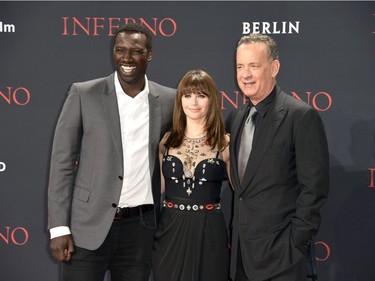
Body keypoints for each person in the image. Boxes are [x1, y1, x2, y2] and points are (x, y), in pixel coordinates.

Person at [47, 23, 175, 281]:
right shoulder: (84, 94)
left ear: (149, 55)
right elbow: (62, 163)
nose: (126, 58)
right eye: (120, 50)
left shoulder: (169, 99)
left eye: (135, 51)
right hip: (88, 227)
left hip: (140, 230)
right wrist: (59, 227)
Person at [226, 34, 329, 281]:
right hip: (240, 258)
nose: (245, 74)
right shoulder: (237, 118)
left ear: (274, 67)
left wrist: (295, 245)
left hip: (281, 259)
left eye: (254, 65)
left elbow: (314, 190)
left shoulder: (300, 117)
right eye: (240, 66)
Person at [152, 69, 230, 281]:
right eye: (187, 95)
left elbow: (243, 193)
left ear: (211, 100)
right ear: (180, 99)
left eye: (201, 95)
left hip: (209, 231)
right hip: (170, 229)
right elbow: (156, 190)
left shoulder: (225, 144)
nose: (193, 102)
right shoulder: (166, 141)